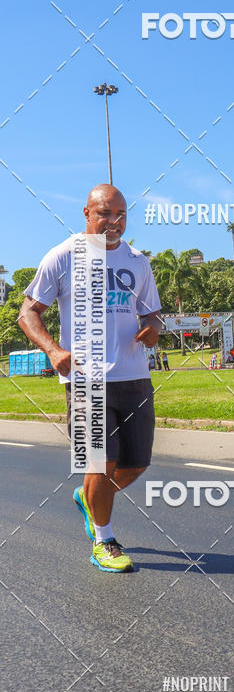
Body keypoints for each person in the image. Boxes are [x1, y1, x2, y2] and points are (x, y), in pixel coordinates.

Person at [18, 184, 162, 573]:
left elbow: (152, 313)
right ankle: (104, 540)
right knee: (101, 463)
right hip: (86, 380)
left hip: (134, 377)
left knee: (135, 464)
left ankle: (89, 498)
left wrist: (152, 328)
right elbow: (27, 313)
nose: (113, 222)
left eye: (121, 215)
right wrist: (53, 350)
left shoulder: (138, 262)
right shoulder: (63, 257)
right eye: (104, 213)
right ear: (86, 213)